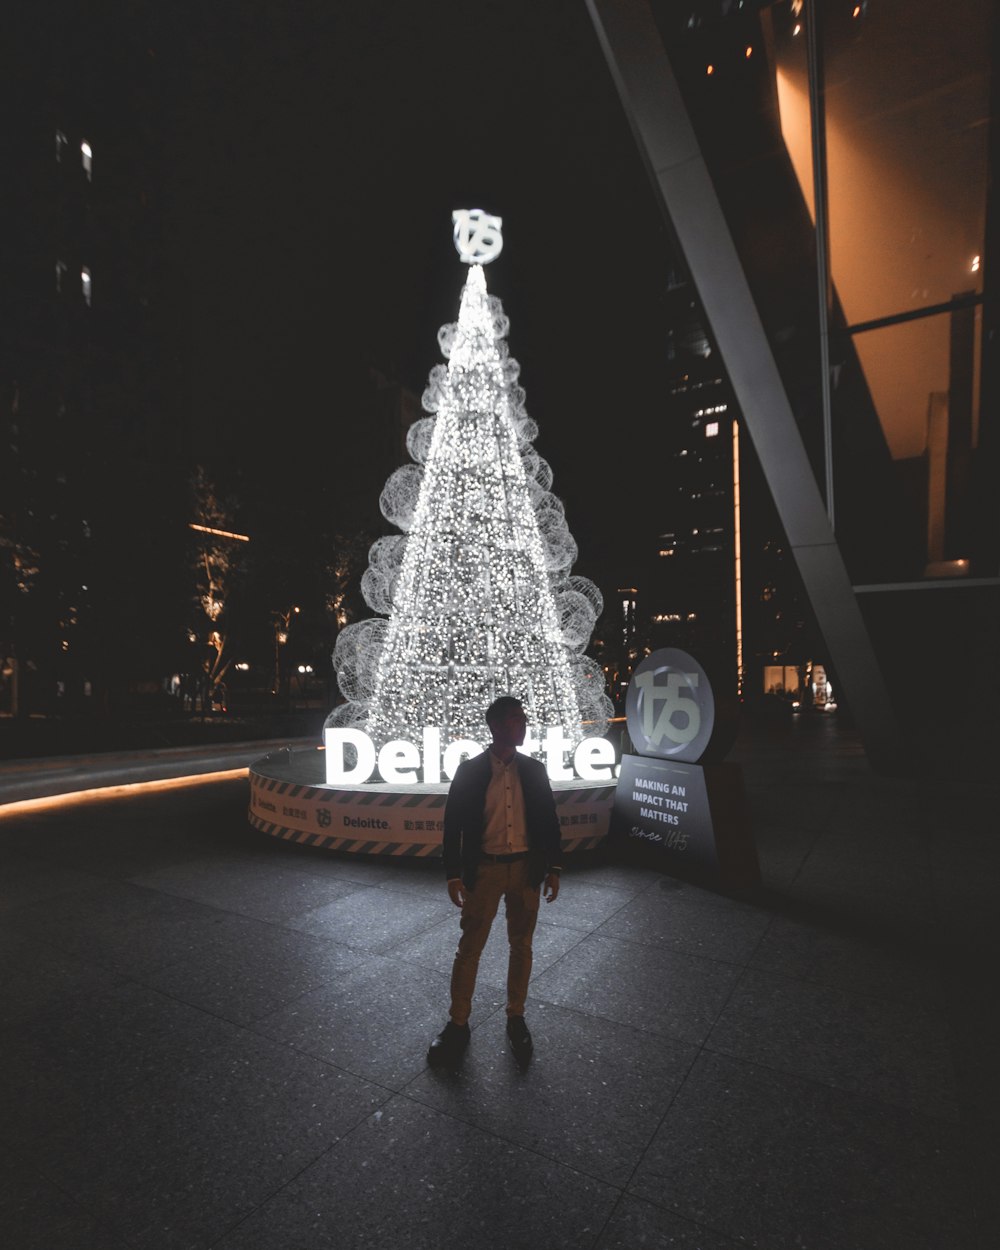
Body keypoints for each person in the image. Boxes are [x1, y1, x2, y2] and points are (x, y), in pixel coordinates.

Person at [427, 695, 563, 1065]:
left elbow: (549, 821)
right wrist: (453, 873)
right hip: (483, 870)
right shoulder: (470, 771)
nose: (524, 725)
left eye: (523, 719)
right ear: (497, 726)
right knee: (470, 947)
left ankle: (516, 1017)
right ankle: (458, 1023)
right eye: (517, 720)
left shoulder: (533, 770)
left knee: (522, 945)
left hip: (525, 870)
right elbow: (452, 824)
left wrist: (554, 868)